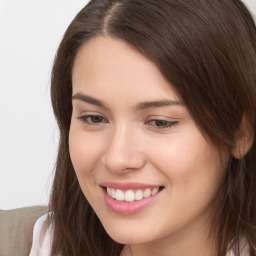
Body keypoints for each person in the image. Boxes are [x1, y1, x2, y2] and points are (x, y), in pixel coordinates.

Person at [29, 0, 256, 255]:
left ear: (241, 131)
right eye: (94, 118)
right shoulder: (33, 243)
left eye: (160, 122)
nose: (117, 159)